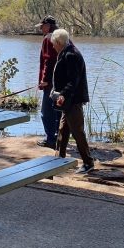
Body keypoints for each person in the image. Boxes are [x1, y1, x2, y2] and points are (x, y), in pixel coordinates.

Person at [50, 28, 95, 174]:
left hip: (73, 101)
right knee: (63, 130)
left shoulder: (71, 55)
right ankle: (59, 159)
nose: (53, 46)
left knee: (77, 132)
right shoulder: (67, 51)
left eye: (53, 44)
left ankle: (88, 163)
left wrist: (62, 94)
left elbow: (73, 80)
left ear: (58, 42)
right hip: (68, 101)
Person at [36, 15, 60, 149]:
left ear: (48, 26)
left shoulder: (48, 38)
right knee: (57, 110)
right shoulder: (61, 37)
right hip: (59, 82)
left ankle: (51, 140)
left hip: (50, 83)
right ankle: (57, 137)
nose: (40, 28)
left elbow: (48, 60)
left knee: (46, 112)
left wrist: (44, 80)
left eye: (42, 26)